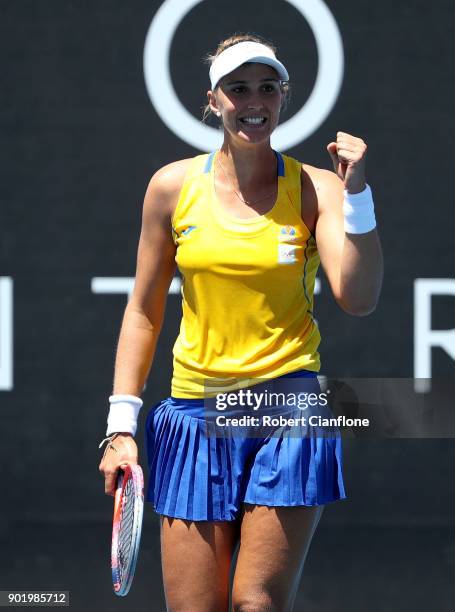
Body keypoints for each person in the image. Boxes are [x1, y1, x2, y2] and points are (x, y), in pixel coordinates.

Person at [99, 33, 383, 612]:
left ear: (283, 97)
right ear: (213, 100)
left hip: (288, 408)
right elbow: (144, 311)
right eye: (238, 88)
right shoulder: (171, 188)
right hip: (193, 410)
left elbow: (358, 296)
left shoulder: (316, 188)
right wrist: (121, 424)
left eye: (267, 88)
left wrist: (358, 197)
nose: (254, 101)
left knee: (257, 604)